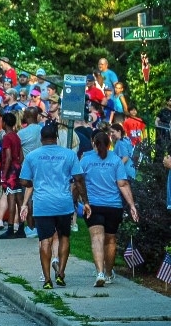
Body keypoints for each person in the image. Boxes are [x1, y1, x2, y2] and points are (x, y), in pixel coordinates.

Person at [19, 124, 87, 289]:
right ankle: (61, 273)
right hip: (63, 203)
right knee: (64, 237)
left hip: (42, 204)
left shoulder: (32, 156)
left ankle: (47, 279)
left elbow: (23, 181)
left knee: (45, 241)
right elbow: (78, 180)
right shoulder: (69, 155)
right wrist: (86, 201)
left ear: (41, 138)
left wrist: (33, 181)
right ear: (56, 137)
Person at [80, 131, 139, 287]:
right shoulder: (116, 160)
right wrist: (132, 205)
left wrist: (76, 200)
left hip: (93, 206)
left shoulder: (86, 160)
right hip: (114, 206)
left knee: (97, 238)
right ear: (109, 144)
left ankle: (100, 272)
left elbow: (78, 182)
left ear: (94, 143)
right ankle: (108, 272)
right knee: (110, 240)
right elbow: (123, 184)